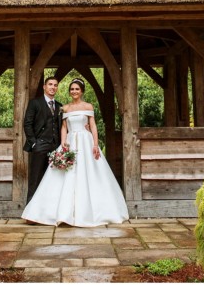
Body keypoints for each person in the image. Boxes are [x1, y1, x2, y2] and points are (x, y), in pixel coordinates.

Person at [21, 77, 129, 226]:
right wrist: (63, 143)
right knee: (52, 177)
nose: (74, 91)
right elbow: (63, 127)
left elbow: (93, 126)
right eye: (72, 89)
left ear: (82, 91)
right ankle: (36, 213)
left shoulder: (88, 106)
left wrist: (96, 144)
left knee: (88, 175)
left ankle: (88, 212)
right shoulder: (64, 108)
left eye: (77, 89)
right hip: (68, 143)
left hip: (86, 142)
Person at [23, 76, 63, 204]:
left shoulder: (59, 106)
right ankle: (30, 211)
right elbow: (27, 124)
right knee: (36, 178)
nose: (53, 87)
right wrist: (34, 142)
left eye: (55, 85)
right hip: (39, 145)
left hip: (55, 147)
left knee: (53, 179)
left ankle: (48, 209)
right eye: (50, 84)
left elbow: (62, 126)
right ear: (44, 87)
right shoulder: (35, 103)